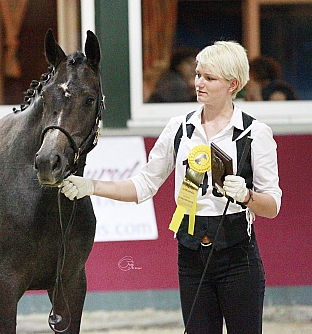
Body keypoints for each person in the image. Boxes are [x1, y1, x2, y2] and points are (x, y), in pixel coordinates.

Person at [61, 41, 282, 334]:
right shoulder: (179, 128)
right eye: (199, 74)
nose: (199, 83)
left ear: (234, 84)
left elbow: (273, 205)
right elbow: (143, 185)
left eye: (209, 78)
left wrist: (248, 195)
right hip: (190, 254)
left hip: (238, 257)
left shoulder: (255, 133)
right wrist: (91, 185)